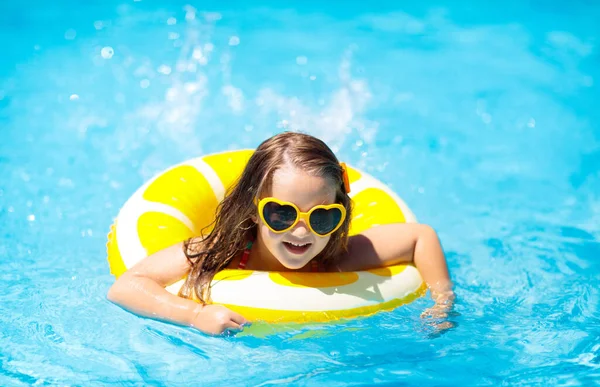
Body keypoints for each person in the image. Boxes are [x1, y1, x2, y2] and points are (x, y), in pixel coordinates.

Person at [107, 131, 454, 335]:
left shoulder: (337, 255)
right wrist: (194, 315)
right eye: (282, 213)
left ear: (339, 215)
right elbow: (126, 286)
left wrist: (443, 303)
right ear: (254, 209)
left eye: (321, 217)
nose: (301, 231)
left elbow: (420, 237)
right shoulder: (222, 250)